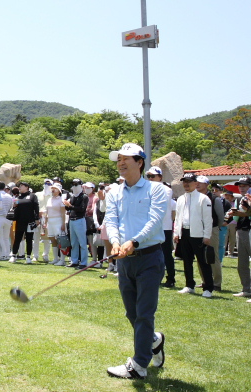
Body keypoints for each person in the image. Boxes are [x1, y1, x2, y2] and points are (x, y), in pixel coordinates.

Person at [104, 143, 167, 379]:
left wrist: (134, 241)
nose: (120, 162)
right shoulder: (114, 192)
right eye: (118, 158)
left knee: (144, 313)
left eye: (126, 158)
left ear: (139, 162)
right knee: (132, 313)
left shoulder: (156, 190)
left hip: (149, 257)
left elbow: (154, 221)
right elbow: (112, 220)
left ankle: (139, 365)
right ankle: (153, 340)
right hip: (125, 260)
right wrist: (116, 242)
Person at [173, 173, 214, 298]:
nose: (186, 184)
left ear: (196, 183)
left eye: (189, 181)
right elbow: (178, 217)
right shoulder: (180, 199)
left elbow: (208, 219)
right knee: (187, 261)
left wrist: (207, 235)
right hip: (184, 233)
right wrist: (176, 233)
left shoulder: (203, 198)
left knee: (203, 262)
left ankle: (208, 288)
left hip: (198, 234)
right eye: (184, 181)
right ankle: (189, 285)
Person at [146, 166, 176, 287]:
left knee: (166, 254)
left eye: (153, 176)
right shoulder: (146, 188)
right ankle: (155, 278)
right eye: (148, 176)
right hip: (151, 226)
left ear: (160, 177)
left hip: (164, 227)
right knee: (151, 254)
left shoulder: (166, 189)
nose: (150, 178)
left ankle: (171, 278)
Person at [195, 175, 224, 291]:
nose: (197, 184)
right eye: (196, 182)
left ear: (206, 184)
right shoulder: (194, 197)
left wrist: (215, 228)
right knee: (200, 256)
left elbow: (220, 216)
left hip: (212, 229)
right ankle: (205, 281)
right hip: (197, 230)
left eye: (200, 183)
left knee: (212, 256)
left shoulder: (214, 198)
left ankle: (216, 283)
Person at [228, 176, 251, 298]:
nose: (241, 188)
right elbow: (235, 217)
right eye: (240, 186)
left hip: (249, 231)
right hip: (240, 231)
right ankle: (246, 289)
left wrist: (240, 214)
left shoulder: (249, 199)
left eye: (245, 186)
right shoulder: (239, 199)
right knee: (242, 263)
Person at [8, 182, 40, 264]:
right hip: (20, 220)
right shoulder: (18, 197)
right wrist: (14, 206)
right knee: (17, 238)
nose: (19, 187)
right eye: (19, 186)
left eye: (21, 186)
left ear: (26, 187)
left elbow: (36, 207)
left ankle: (28, 256)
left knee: (29, 239)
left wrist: (37, 219)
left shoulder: (32, 196)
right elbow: (14, 207)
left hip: (30, 220)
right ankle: (14, 255)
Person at [63, 179, 88, 269]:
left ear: (80, 185)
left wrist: (70, 206)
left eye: (76, 185)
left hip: (79, 220)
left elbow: (81, 209)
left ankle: (84, 262)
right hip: (72, 220)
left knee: (82, 242)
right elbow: (69, 209)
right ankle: (74, 261)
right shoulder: (73, 196)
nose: (74, 186)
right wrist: (66, 205)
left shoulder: (84, 197)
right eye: (73, 185)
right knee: (73, 242)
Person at [45, 183, 66, 266]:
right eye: (52, 188)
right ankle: (55, 258)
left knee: (60, 240)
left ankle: (62, 259)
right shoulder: (49, 199)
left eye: (55, 189)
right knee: (52, 239)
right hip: (50, 221)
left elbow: (63, 213)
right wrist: (45, 222)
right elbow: (47, 211)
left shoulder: (61, 199)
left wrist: (63, 224)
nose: (53, 190)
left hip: (58, 220)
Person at [35, 179, 53, 263]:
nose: (46, 185)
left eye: (49, 184)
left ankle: (45, 255)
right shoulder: (37, 194)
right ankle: (35, 255)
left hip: (47, 219)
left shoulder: (52, 195)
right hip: (37, 218)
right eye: (45, 183)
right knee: (36, 238)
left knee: (46, 239)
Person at [212, 184, 230, 262]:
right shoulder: (209, 200)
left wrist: (226, 222)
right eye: (212, 190)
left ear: (221, 191)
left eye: (216, 190)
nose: (213, 192)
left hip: (222, 227)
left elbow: (231, 213)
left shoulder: (226, 202)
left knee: (220, 245)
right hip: (212, 226)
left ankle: (219, 261)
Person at [83, 182, 99, 266]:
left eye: (88, 187)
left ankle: (94, 258)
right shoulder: (84, 197)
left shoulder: (95, 198)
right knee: (87, 240)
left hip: (91, 221)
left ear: (93, 189)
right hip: (84, 220)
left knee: (92, 241)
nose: (86, 189)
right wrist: (86, 209)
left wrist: (85, 210)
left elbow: (92, 210)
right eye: (85, 187)